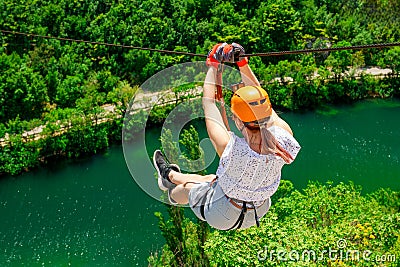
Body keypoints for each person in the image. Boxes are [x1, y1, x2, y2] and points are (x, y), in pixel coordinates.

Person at [153, 43, 301, 230]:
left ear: (237, 120)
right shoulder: (284, 137)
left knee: (189, 188)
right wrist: (242, 63)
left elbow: (208, 103)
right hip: (258, 209)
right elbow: (259, 99)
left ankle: (172, 193)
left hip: (223, 214)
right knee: (210, 179)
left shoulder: (232, 149)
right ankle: (169, 175)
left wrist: (212, 65)